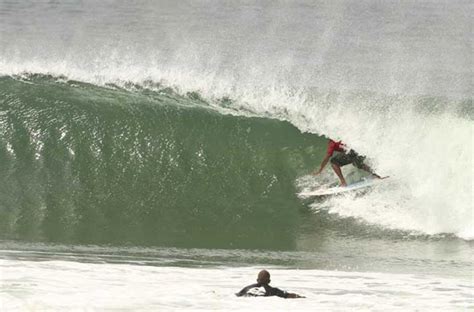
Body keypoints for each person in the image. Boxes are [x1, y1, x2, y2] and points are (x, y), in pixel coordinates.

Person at [314, 139, 384, 186]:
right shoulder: (341, 135)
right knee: (358, 164)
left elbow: (327, 157)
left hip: (352, 151)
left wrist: (320, 169)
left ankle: (343, 182)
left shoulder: (332, 142)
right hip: (361, 149)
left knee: (333, 162)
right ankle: (377, 175)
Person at [235, 270, 304, 298]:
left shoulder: (247, 288)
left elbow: (237, 295)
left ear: (257, 280)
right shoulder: (274, 290)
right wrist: (301, 297)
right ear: (269, 281)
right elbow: (288, 295)